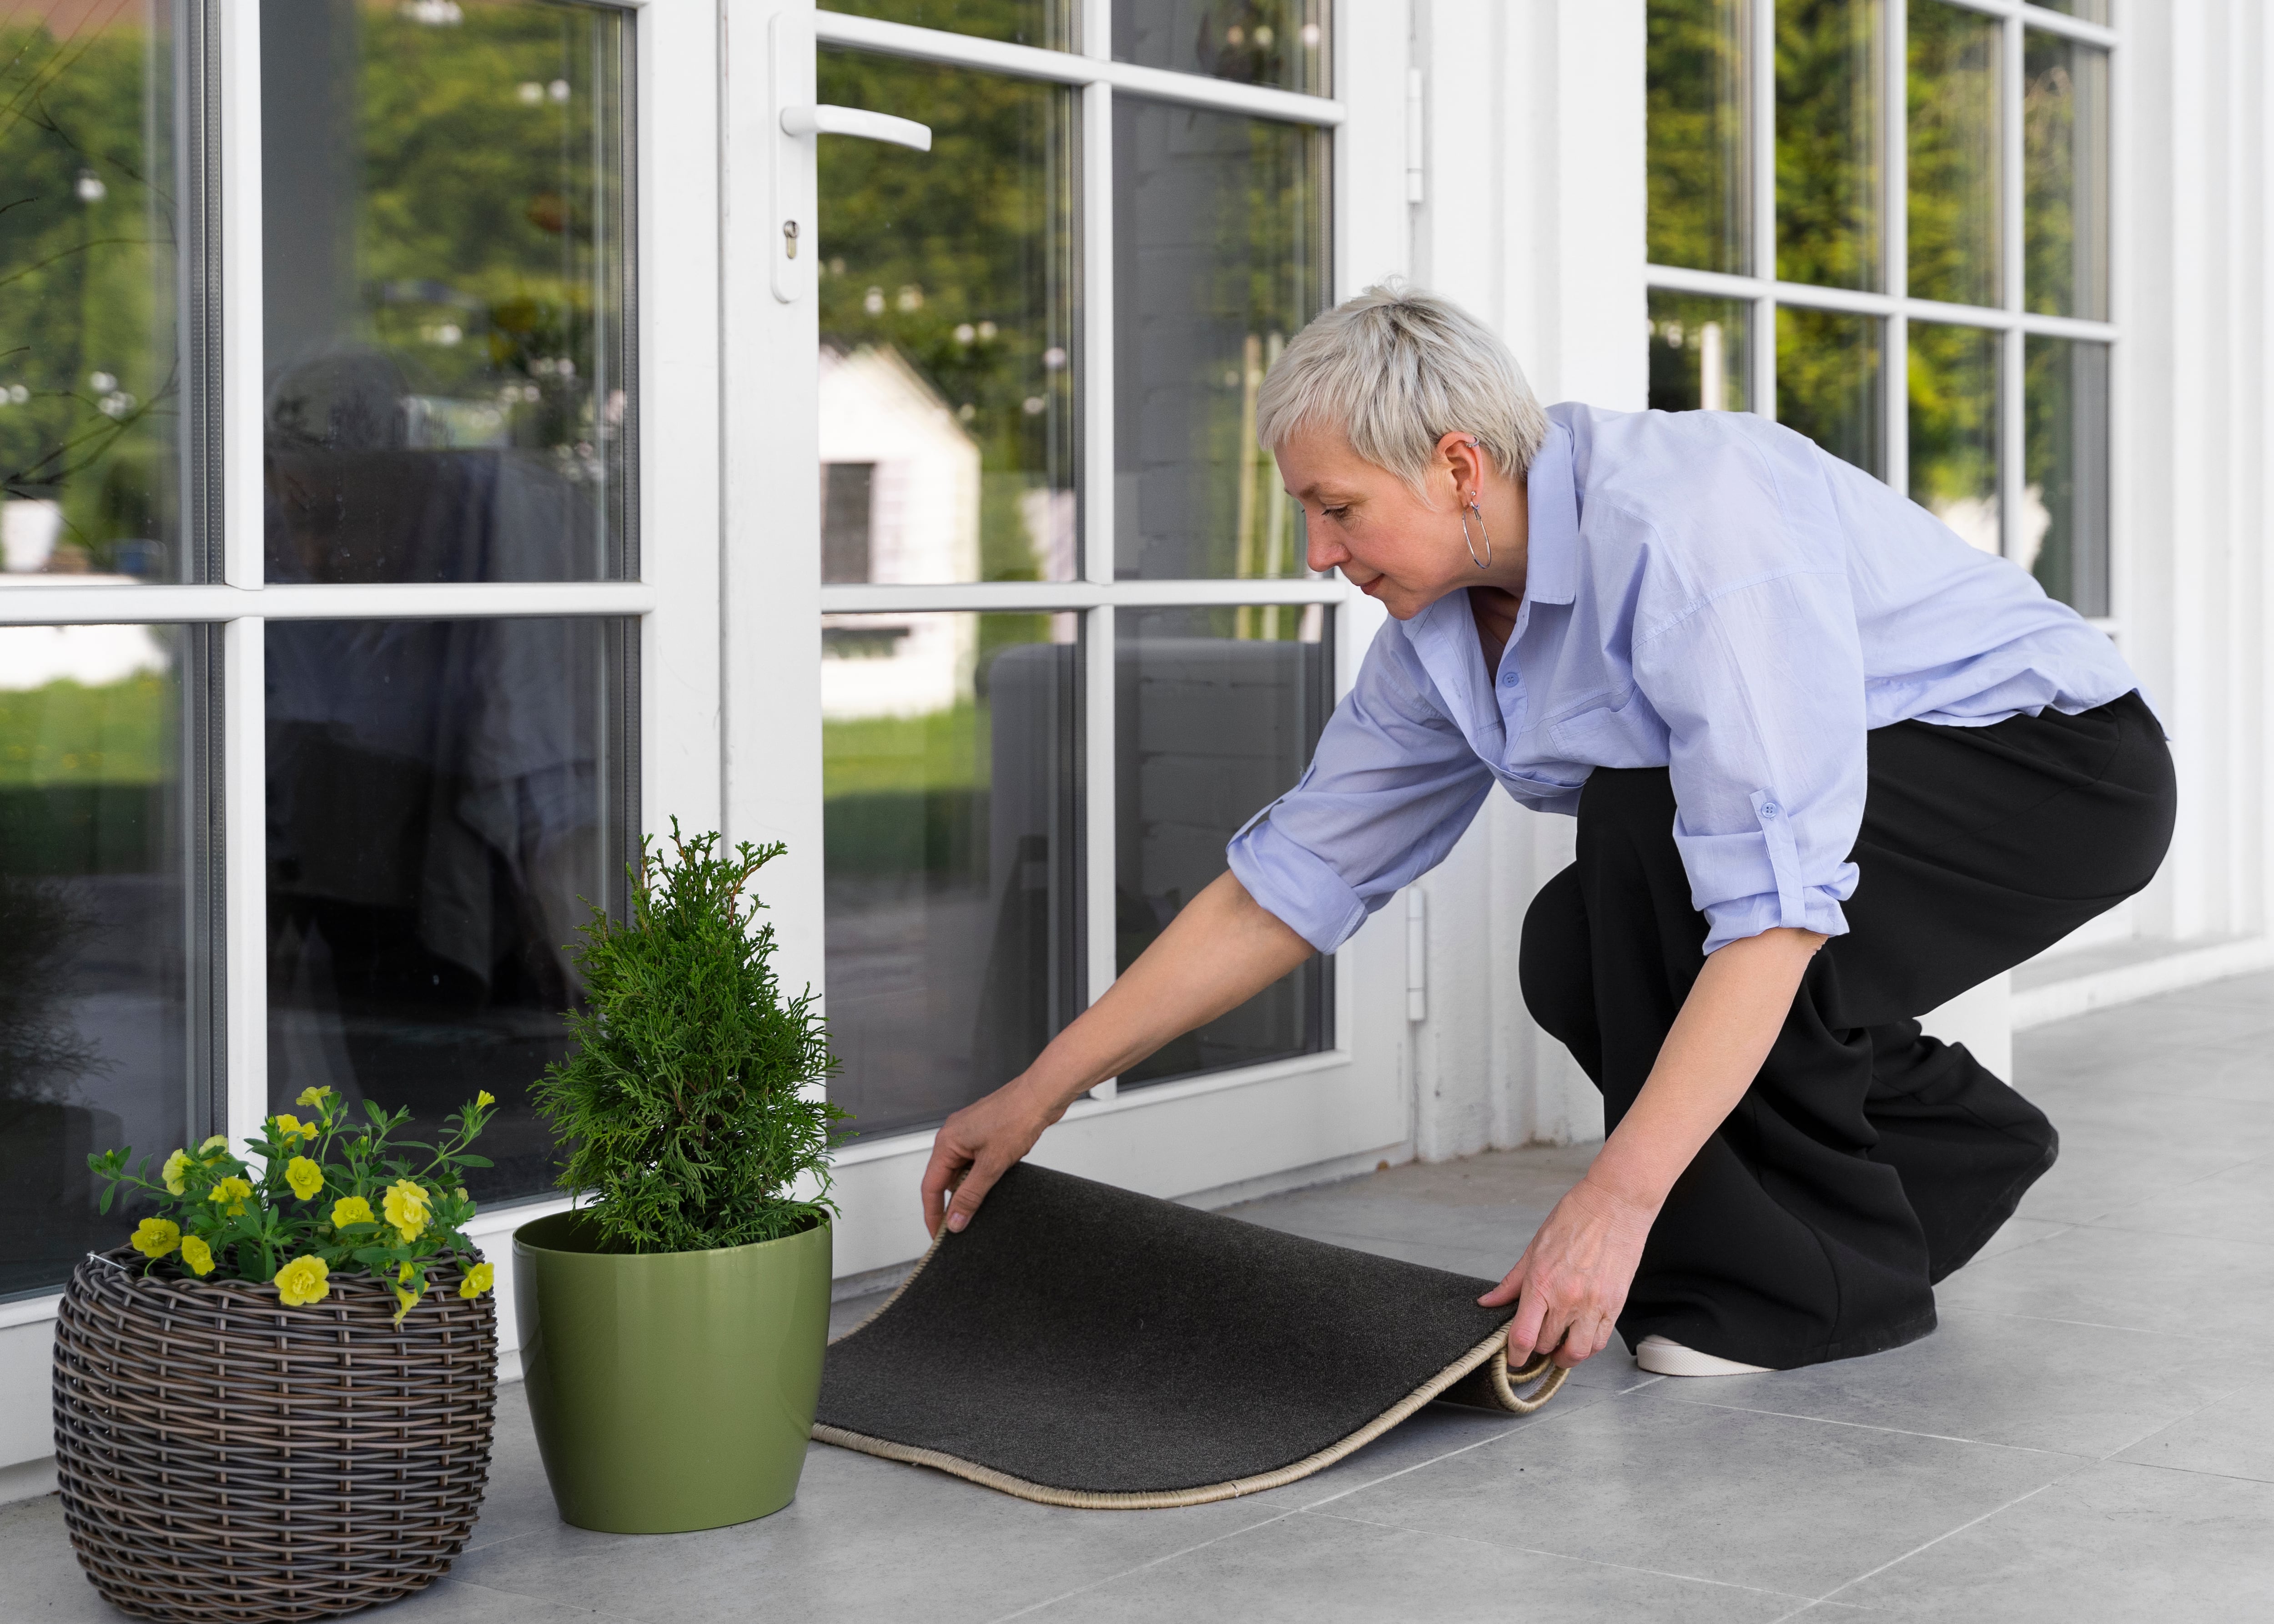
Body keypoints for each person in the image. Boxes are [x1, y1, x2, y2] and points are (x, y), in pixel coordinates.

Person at [919, 285, 2174, 1378]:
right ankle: (1947, 1145)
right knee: (1573, 944)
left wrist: (1611, 1200)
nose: (1316, 554)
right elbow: (1283, 887)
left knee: (1645, 824)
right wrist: (1041, 1091)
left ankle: (1813, 1291)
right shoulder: (1441, 635)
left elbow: (1773, 905)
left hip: (2053, 768)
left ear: (1458, 467)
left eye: (1339, 510)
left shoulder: (1691, 526)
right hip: (1892, 787)